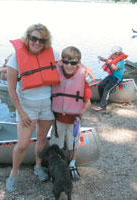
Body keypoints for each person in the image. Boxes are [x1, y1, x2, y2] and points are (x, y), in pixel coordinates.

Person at [6, 23, 60, 192]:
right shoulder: (15, 59)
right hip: (26, 106)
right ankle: (13, 174)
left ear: (46, 42)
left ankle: (37, 167)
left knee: (42, 138)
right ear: (27, 38)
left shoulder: (54, 54)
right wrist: (21, 113)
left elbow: (68, 66)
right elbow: (11, 90)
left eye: (42, 40)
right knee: (22, 145)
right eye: (34, 38)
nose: (37, 43)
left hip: (47, 105)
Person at [50, 46, 92, 181]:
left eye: (73, 63)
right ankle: (55, 164)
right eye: (66, 62)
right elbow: (52, 63)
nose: (69, 65)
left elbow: (88, 102)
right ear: (62, 61)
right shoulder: (55, 72)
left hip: (74, 120)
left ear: (78, 64)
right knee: (56, 143)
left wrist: (80, 114)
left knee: (73, 144)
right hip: (58, 119)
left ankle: (72, 162)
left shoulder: (82, 78)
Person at [94, 46, 128, 111]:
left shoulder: (121, 62)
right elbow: (108, 60)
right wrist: (102, 59)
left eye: (113, 54)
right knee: (100, 85)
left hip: (116, 79)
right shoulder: (113, 58)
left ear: (117, 54)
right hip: (111, 76)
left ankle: (103, 106)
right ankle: (102, 101)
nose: (111, 55)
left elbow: (115, 68)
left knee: (107, 89)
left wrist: (110, 62)